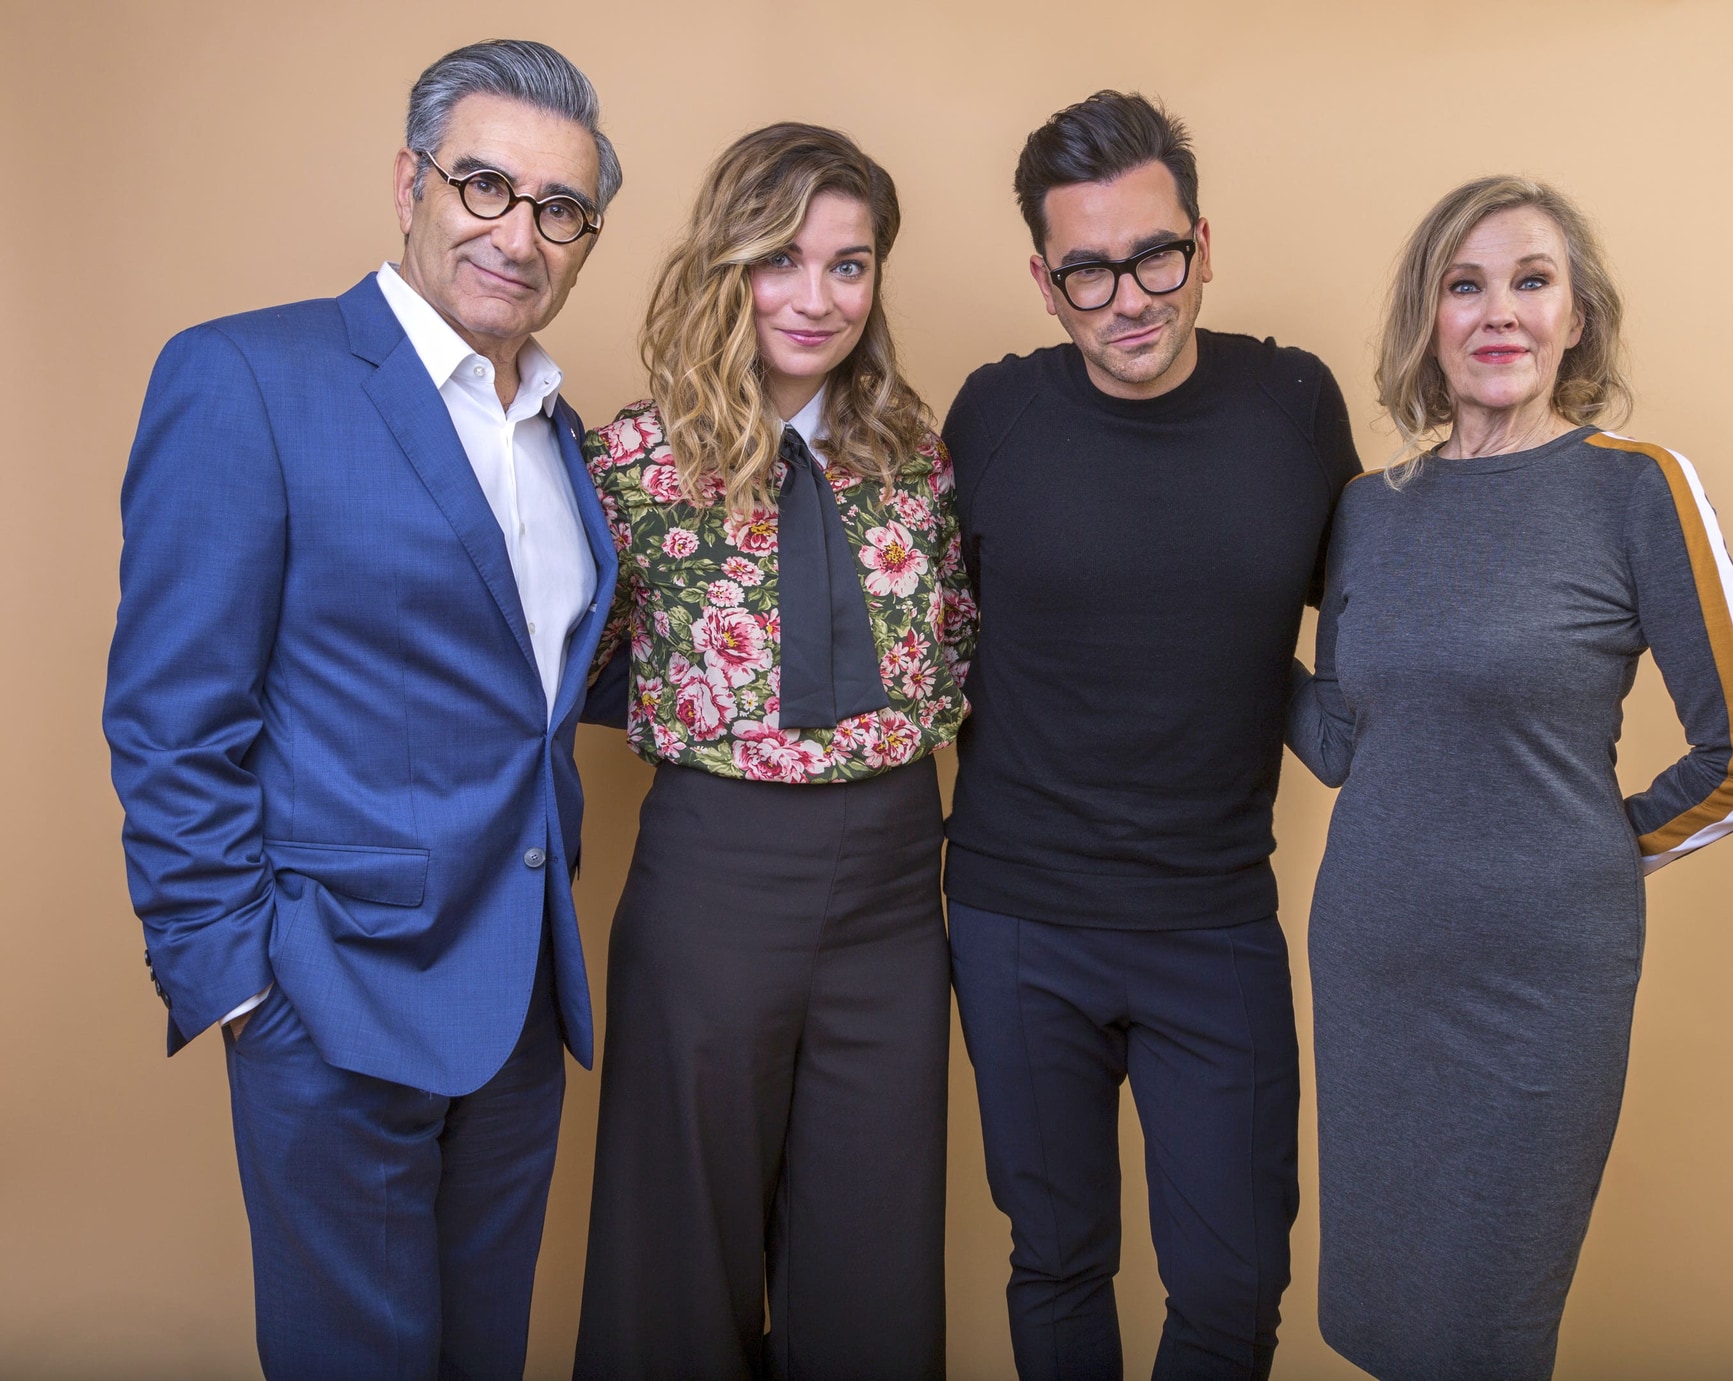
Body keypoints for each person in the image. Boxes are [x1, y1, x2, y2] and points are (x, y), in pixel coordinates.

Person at [101, 40, 621, 1379]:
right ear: (411, 181)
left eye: (560, 209)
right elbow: (170, 716)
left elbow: (526, 703)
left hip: (514, 1003)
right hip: (327, 998)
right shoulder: (248, 377)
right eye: (486, 186)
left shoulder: (565, 434)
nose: (521, 234)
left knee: (480, 1357)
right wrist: (238, 988)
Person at [1286, 175, 1733, 1381]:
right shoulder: (1368, 511)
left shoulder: (1635, 489)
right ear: (1429, 319)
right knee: (1382, 1323)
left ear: (1578, 318)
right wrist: (1221, 642)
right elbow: (1348, 741)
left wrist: (1585, 855)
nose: (1498, 313)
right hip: (1372, 969)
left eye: (1531, 281)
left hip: (1536, 990)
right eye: (1464, 286)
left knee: (1482, 1332)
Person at [941, 91, 1362, 1380]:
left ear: (1204, 242)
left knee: (1233, 1289)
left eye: (1156, 255)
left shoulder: (1293, 403)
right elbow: (912, 626)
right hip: (1020, 917)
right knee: (1059, 1261)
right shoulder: (992, 418)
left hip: (1215, 918)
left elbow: (1368, 640)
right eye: (1088, 270)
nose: (1130, 296)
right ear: (1044, 278)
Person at [571, 122, 975, 1380]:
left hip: (899, 885)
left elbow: (958, 644)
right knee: (674, 1246)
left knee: (877, 1247)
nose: (818, 297)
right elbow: (575, 659)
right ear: (727, 266)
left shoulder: (919, 457)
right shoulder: (633, 462)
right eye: (784, 259)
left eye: (850, 265)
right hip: (712, 874)